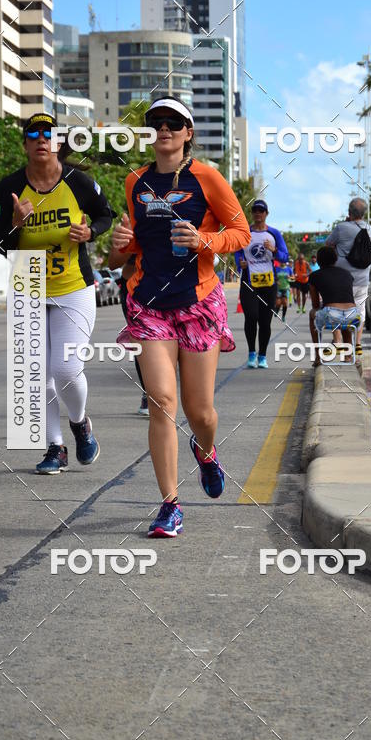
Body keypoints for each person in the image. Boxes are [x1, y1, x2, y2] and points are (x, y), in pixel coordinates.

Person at [111, 96, 250, 538]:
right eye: (156, 122)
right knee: (161, 402)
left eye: (174, 122)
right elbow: (129, 251)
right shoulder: (135, 181)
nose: (164, 128)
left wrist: (204, 240)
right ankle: (170, 505)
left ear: (188, 132)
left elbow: (241, 233)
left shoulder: (207, 177)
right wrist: (119, 243)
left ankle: (206, 453)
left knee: (200, 411)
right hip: (149, 302)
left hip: (198, 302)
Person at [0, 112, 113, 474]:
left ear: (59, 143)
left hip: (73, 286)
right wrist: (15, 225)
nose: (41, 140)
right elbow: (1, 244)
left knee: (66, 368)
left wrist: (90, 232)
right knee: (36, 375)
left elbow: (105, 216)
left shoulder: (79, 182)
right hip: (27, 282)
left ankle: (80, 423)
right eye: (34, 134)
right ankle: (55, 447)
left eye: (49, 134)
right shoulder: (10, 187)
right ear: (25, 145)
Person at [234, 200, 288, 368]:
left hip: (269, 283)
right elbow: (237, 252)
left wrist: (273, 250)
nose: (258, 213)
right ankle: (252, 353)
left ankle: (262, 356)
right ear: (252, 213)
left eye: (261, 210)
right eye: (255, 210)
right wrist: (240, 263)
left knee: (265, 321)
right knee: (251, 316)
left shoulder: (274, 233)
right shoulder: (245, 233)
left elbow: (284, 257)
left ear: (266, 214)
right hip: (249, 282)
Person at [325, 197, 371, 355]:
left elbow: (328, 244)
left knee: (335, 309)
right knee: (360, 311)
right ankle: (357, 344)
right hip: (363, 279)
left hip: (342, 280)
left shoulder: (341, 227)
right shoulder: (369, 228)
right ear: (364, 213)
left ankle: (338, 341)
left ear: (349, 212)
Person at [108, 249, 149, 415]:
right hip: (134, 284)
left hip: (173, 285)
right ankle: (149, 394)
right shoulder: (131, 230)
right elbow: (113, 262)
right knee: (142, 342)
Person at [308, 245, 359, 364]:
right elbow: (347, 297)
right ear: (335, 260)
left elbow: (315, 304)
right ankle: (348, 356)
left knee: (312, 314)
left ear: (318, 261)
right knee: (345, 319)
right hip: (354, 316)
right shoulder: (347, 274)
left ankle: (318, 356)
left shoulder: (315, 276)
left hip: (332, 315)